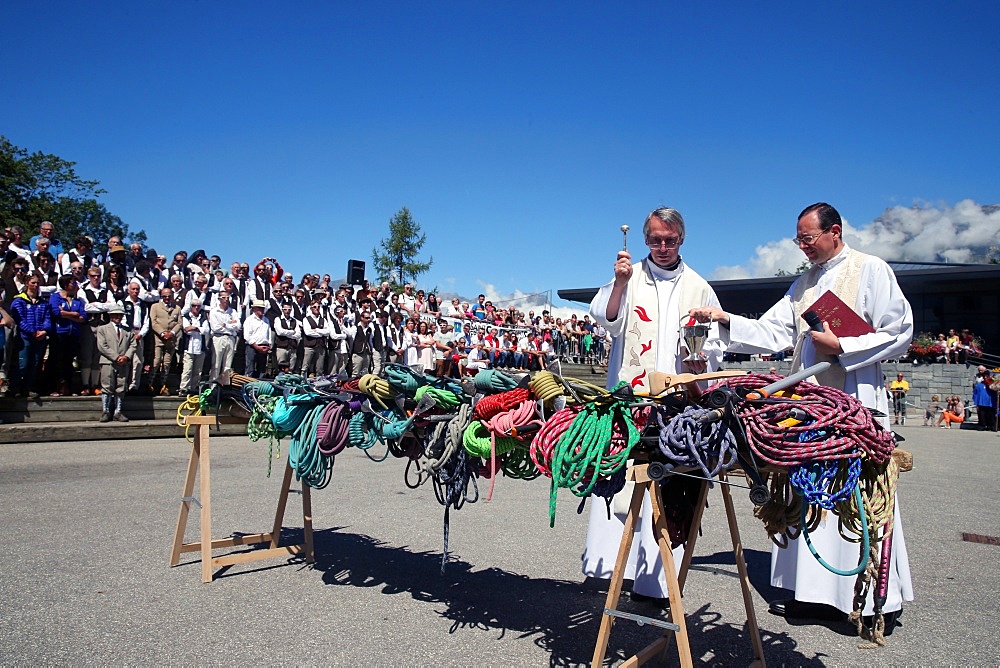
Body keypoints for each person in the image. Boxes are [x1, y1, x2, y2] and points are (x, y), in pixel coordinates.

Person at [689, 202, 914, 626]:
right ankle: (808, 593)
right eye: (799, 240)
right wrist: (724, 320)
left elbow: (900, 330)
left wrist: (843, 346)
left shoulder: (871, 269)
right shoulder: (804, 284)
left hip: (856, 395)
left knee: (858, 492)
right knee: (808, 491)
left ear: (835, 231)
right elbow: (773, 330)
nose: (803, 247)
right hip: (810, 403)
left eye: (808, 238)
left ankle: (869, 598)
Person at [583, 207, 724, 603]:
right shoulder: (629, 277)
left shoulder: (699, 286)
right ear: (645, 240)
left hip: (676, 405)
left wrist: (701, 361)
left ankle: (655, 582)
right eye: (655, 240)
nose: (662, 247)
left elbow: (712, 342)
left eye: (670, 240)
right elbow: (605, 320)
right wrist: (619, 283)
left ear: (682, 239)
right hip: (632, 395)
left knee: (668, 487)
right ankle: (611, 571)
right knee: (621, 482)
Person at [10, 275, 53, 398]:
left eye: (37, 283)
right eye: (33, 283)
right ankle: (15, 387)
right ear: (27, 283)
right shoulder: (19, 301)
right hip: (25, 337)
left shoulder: (43, 303)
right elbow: (20, 320)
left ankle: (27, 388)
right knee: (22, 363)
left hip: (40, 338)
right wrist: (33, 331)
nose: (36, 285)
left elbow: (48, 319)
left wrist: (44, 331)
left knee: (34, 364)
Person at [48, 275, 87, 396]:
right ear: (66, 285)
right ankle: (53, 388)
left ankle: (68, 388)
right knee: (56, 360)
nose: (76, 286)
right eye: (73, 283)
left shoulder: (77, 301)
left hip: (73, 334)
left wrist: (66, 314)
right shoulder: (55, 297)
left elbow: (83, 317)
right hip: (59, 334)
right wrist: (74, 314)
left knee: (69, 361)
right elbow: (56, 312)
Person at [96, 304, 135, 422]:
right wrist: (116, 357)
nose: (118, 317)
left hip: (123, 363)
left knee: (121, 386)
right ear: (111, 316)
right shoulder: (102, 329)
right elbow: (102, 346)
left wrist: (126, 357)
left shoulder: (127, 330)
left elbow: (133, 345)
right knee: (107, 386)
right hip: (108, 362)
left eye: (120, 315)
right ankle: (106, 411)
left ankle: (118, 411)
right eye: (115, 315)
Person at [149, 288, 182, 394]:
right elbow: (153, 322)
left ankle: (163, 385)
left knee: (167, 363)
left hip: (171, 339)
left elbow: (179, 323)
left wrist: (172, 333)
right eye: (164, 296)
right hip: (159, 338)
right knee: (156, 361)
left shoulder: (177, 308)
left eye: (169, 296)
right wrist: (162, 333)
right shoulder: (155, 307)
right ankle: (150, 384)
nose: (167, 298)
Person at [179, 299, 210, 396]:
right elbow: (186, 329)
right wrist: (199, 329)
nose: (196, 308)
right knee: (187, 370)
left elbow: (206, 330)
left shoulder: (203, 318)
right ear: (190, 306)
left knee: (198, 371)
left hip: (200, 348)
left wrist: (195, 328)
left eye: (198, 306)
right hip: (188, 348)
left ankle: (193, 389)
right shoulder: (186, 317)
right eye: (193, 305)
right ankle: (183, 389)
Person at [243, 300, 271, 378]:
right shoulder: (249, 320)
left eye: (262, 308)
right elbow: (247, 336)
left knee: (262, 369)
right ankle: (247, 386)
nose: (262, 310)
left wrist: (269, 345)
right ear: (254, 309)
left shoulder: (266, 320)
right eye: (259, 308)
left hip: (264, 346)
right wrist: (256, 347)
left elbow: (268, 333)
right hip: (252, 346)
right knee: (250, 368)